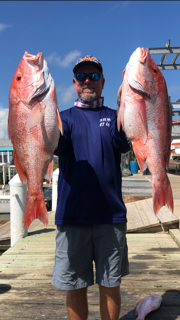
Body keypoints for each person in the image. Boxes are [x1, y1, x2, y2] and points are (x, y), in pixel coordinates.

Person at [51, 55, 131, 320]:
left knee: (110, 284)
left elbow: (123, 142)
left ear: (103, 82)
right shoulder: (63, 119)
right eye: (82, 77)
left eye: (94, 76)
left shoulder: (113, 116)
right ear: (74, 83)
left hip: (111, 217)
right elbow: (56, 144)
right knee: (75, 286)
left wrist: (124, 103)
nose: (88, 81)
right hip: (73, 217)